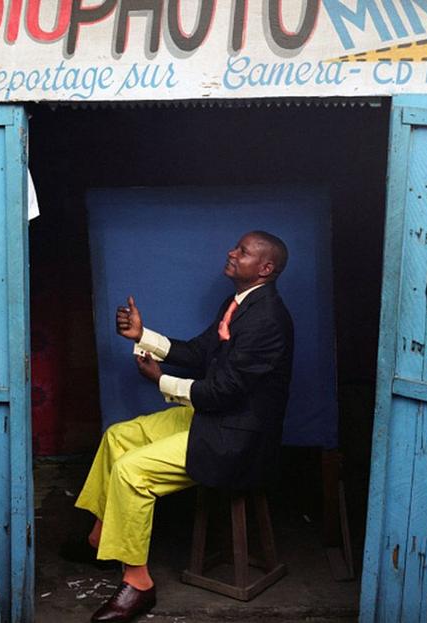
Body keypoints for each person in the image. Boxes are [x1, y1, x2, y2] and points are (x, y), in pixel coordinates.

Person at [75, 231, 294, 623]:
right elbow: (198, 353)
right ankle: (102, 535)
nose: (231, 252)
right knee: (117, 437)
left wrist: (160, 381)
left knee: (132, 471)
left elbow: (224, 391)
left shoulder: (268, 320)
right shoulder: (238, 304)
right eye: (235, 246)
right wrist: (143, 336)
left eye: (242, 252)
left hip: (237, 438)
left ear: (265, 268)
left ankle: (138, 583)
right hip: (215, 418)